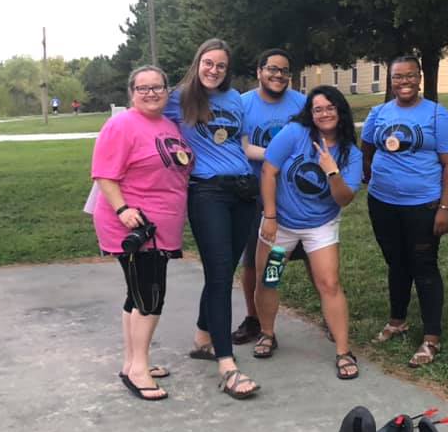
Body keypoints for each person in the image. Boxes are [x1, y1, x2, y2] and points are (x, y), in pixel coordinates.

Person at [164, 38, 260, 399]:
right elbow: (146, 121)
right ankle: (227, 365)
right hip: (207, 192)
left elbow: (244, 146)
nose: (213, 70)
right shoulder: (179, 97)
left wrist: (282, 154)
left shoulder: (235, 99)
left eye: (220, 65)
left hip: (243, 192)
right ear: (197, 62)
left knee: (223, 271)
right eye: (208, 63)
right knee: (220, 275)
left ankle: (203, 337)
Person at [91, 65, 192, 401]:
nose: (151, 93)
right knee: (150, 296)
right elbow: (104, 174)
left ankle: (132, 360)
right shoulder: (121, 124)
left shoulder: (167, 124)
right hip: (135, 225)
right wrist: (123, 210)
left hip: (162, 225)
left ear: (167, 90)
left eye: (157, 87)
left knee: (137, 295)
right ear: (131, 92)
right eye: (143, 88)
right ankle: (138, 369)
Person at [253, 86, 363, 379]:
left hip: (320, 227)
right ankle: (267, 333)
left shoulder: (350, 153)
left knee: (329, 283)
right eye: (318, 109)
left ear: (340, 112)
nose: (324, 114)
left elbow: (344, 198)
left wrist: (331, 170)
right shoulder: (294, 134)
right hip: (283, 226)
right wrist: (270, 216)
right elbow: (269, 171)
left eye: (330, 108)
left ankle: (343, 350)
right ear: (310, 113)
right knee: (270, 279)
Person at [362, 55, 448, 368]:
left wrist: (445, 206)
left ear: (420, 77)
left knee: (424, 266)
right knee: (396, 262)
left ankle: (431, 337)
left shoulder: (436, 115)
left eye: (410, 76)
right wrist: (368, 175)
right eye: (397, 77)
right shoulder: (378, 113)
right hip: (382, 202)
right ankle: (397, 320)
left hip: (424, 204)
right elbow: (366, 148)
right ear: (390, 80)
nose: (404, 82)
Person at [235, 49, 306, 346]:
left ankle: (330, 315)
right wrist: (280, 156)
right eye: (272, 69)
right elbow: (242, 147)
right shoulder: (242, 104)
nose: (278, 75)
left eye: (284, 71)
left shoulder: (302, 103)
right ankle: (257, 320)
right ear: (259, 71)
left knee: (315, 261)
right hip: (257, 199)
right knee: (257, 264)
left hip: (297, 198)